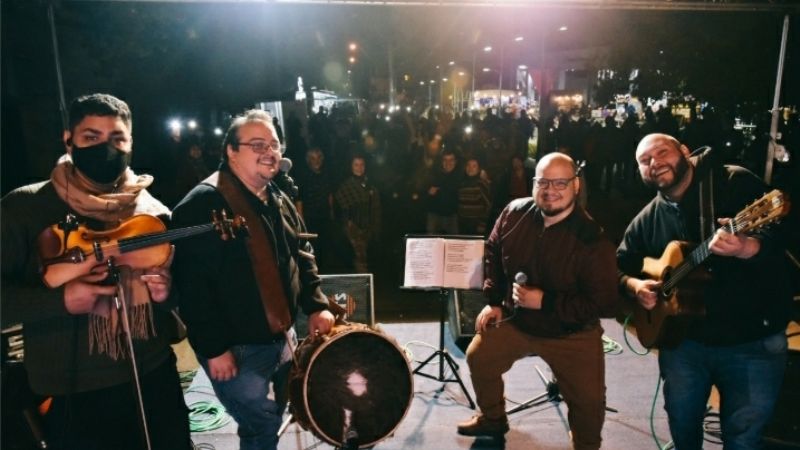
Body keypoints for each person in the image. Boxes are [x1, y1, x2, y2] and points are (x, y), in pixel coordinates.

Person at [0, 93, 191, 450]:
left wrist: (167, 294)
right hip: (71, 390)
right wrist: (61, 301)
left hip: (152, 374)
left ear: (131, 143)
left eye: (117, 139)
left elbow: (177, 301)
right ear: (68, 141)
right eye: (91, 137)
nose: (107, 148)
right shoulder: (24, 209)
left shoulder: (153, 212)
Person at [171, 109, 334, 450]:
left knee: (272, 417)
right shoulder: (202, 204)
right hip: (236, 348)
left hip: (281, 336)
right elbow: (191, 288)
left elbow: (301, 252)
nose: (269, 151)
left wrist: (315, 304)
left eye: (274, 144)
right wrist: (214, 349)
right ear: (231, 150)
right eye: (257, 144)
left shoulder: (276, 195)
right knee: (262, 423)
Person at [617, 133, 792, 449]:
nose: (655, 164)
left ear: (684, 151)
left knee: (744, 439)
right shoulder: (647, 219)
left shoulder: (732, 182)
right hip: (683, 344)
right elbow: (617, 267)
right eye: (645, 161)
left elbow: (785, 229)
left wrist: (749, 247)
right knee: (684, 432)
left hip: (753, 341)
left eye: (662, 152)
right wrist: (634, 285)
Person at [457, 153, 618, 450]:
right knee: (479, 358)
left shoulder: (592, 239)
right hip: (518, 321)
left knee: (589, 403)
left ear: (576, 185)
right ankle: (494, 418)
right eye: (543, 181)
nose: (550, 190)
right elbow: (492, 248)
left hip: (572, 333)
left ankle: (585, 445)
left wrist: (545, 301)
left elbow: (603, 303)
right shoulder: (513, 213)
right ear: (533, 184)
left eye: (560, 182)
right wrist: (494, 301)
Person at [334, 154, 381, 273]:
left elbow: (375, 206)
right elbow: (342, 210)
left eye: (362, 165)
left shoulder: (370, 183)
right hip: (354, 228)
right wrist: (350, 227)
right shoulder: (346, 185)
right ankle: (361, 282)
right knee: (359, 258)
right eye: (356, 165)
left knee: (368, 257)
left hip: (369, 227)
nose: (359, 168)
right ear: (351, 166)